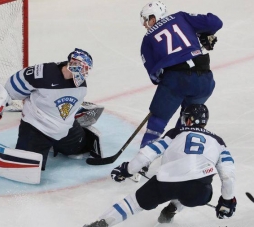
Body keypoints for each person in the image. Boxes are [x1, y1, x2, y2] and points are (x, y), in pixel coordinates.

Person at [83, 104, 236, 227]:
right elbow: (228, 175)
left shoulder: (175, 133)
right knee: (192, 186)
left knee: (133, 203)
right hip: (198, 192)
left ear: (188, 120)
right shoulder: (219, 142)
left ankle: (101, 224)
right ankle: (173, 209)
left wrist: (127, 170)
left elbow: (147, 153)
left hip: (166, 183)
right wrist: (227, 201)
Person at [133, 1, 223, 181]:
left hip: (176, 80)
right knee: (187, 120)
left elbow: (154, 74)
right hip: (205, 79)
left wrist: (166, 80)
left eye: (146, 20)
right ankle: (178, 161)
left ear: (154, 16)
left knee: (158, 120)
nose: (145, 25)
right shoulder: (181, 17)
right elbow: (216, 22)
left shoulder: (147, 39)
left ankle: (141, 163)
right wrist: (204, 34)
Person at [0, 48, 103, 170]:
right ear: (73, 63)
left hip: (65, 129)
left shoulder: (81, 86)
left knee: (81, 147)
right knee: (27, 167)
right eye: (83, 68)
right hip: (37, 128)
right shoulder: (43, 73)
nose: (85, 73)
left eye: (87, 69)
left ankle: (57, 144)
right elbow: (13, 86)